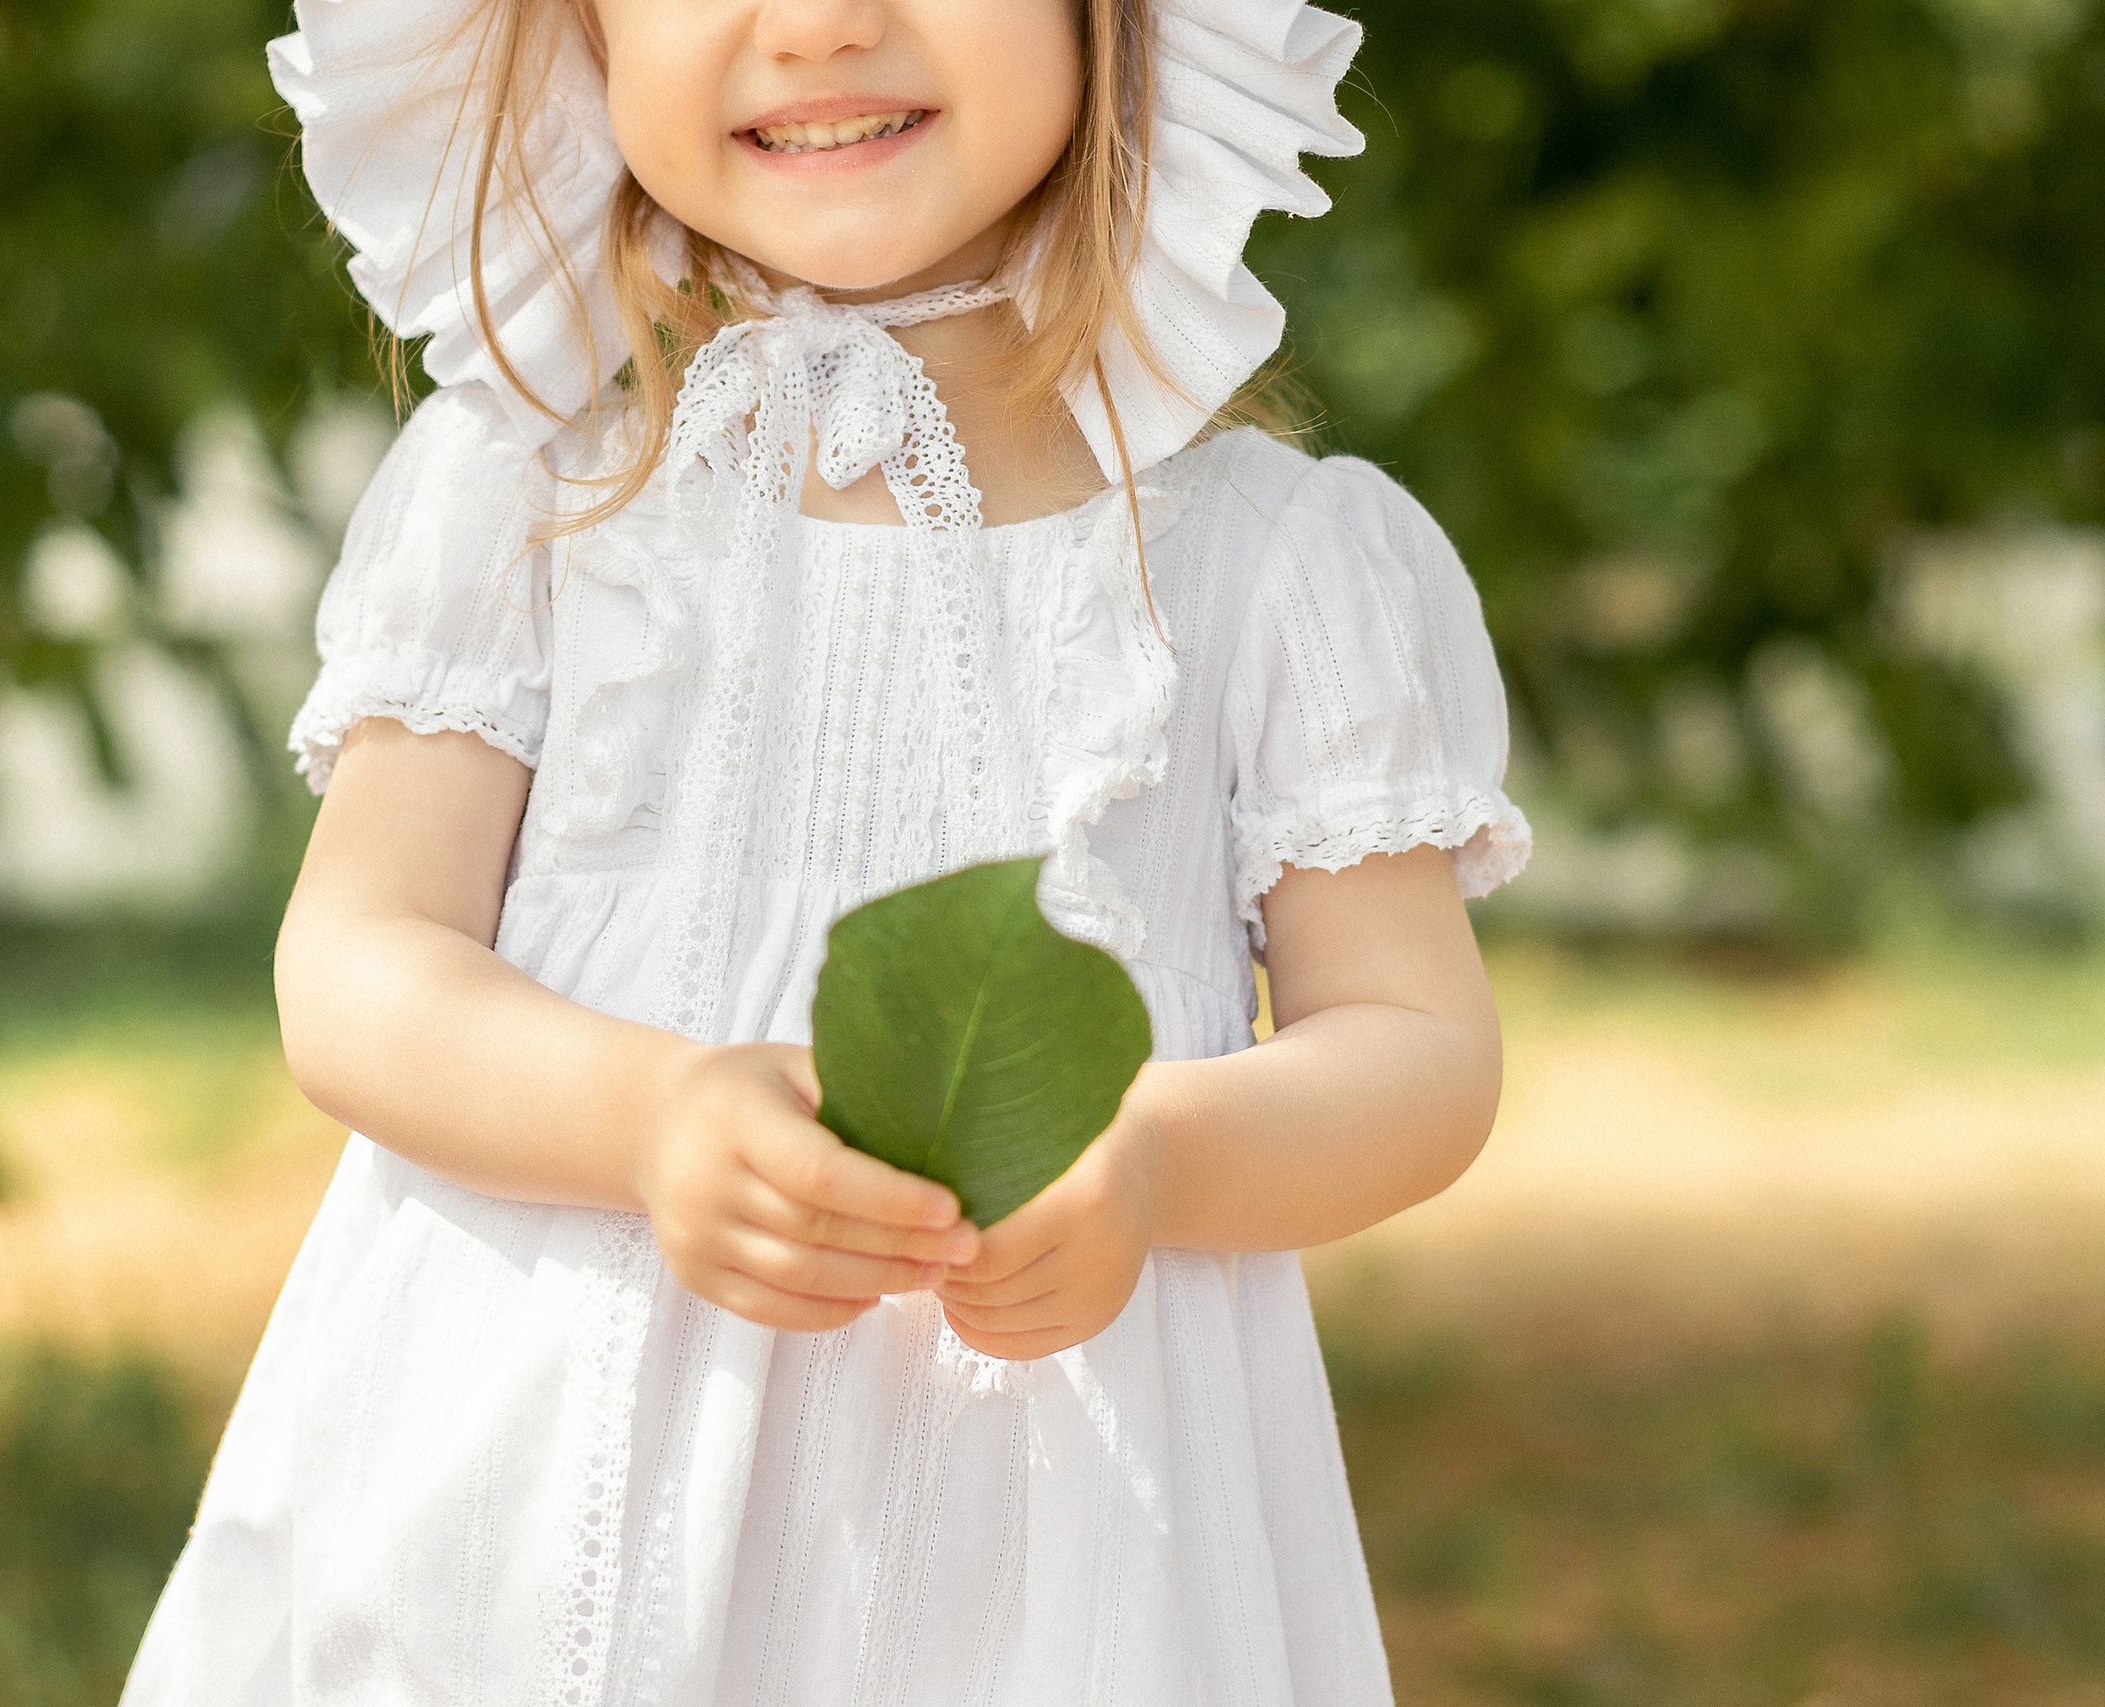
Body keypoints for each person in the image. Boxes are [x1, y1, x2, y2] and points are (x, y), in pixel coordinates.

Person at [123, 0, 1530, 1694]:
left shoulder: (1267, 561)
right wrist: (644, 1114)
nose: (822, 23)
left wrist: (1154, 1155)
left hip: (1037, 1561)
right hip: (520, 1524)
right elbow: (357, 967)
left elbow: (1418, 1049)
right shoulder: (533, 495)